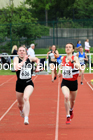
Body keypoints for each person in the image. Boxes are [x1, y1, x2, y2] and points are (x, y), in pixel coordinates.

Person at [13, 46, 39, 125]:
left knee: (26, 98)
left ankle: (26, 118)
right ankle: (21, 110)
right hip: (19, 84)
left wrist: (37, 66)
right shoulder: (16, 59)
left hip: (28, 83)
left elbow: (37, 59)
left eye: (23, 51)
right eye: (20, 51)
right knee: (20, 104)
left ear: (26, 52)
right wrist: (24, 60)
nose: (21, 52)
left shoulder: (30, 58)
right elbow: (16, 68)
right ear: (17, 53)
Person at [58, 43, 80, 124]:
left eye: (69, 47)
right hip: (65, 82)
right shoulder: (63, 58)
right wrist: (59, 71)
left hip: (74, 82)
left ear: (73, 49)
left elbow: (78, 66)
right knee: (66, 96)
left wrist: (73, 61)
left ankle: (71, 109)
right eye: (66, 47)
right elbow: (61, 65)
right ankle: (67, 116)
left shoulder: (75, 58)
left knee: (72, 100)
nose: (67, 48)